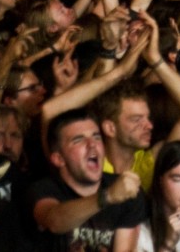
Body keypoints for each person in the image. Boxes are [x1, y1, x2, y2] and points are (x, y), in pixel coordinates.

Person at [30, 108, 147, 252]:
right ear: (59, 159)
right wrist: (107, 197)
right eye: (78, 140)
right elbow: (54, 221)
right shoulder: (43, 189)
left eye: (96, 137)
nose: (92, 144)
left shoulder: (125, 193)